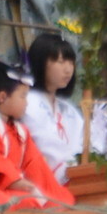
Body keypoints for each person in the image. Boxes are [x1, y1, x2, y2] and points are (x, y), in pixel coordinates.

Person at [0, 63, 74, 209]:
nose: (26, 103)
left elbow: (35, 164)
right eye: (22, 96)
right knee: (26, 202)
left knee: (63, 199)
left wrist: (46, 190)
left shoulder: (21, 132)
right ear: (3, 97)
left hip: (14, 188)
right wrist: (13, 179)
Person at [22, 31, 84, 184]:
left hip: (76, 175)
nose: (68, 69)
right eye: (60, 61)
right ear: (40, 62)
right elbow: (47, 146)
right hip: (41, 181)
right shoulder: (28, 103)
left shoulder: (68, 109)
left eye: (71, 62)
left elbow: (83, 141)